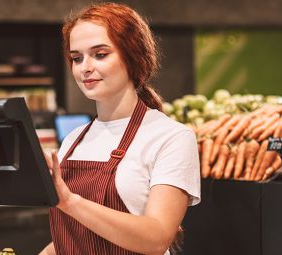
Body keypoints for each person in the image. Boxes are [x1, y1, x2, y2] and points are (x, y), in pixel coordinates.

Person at [40, 2, 201, 255]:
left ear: (132, 56)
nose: (85, 67)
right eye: (76, 58)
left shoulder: (171, 137)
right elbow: (74, 237)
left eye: (100, 54)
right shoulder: (73, 140)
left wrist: (70, 202)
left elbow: (157, 238)